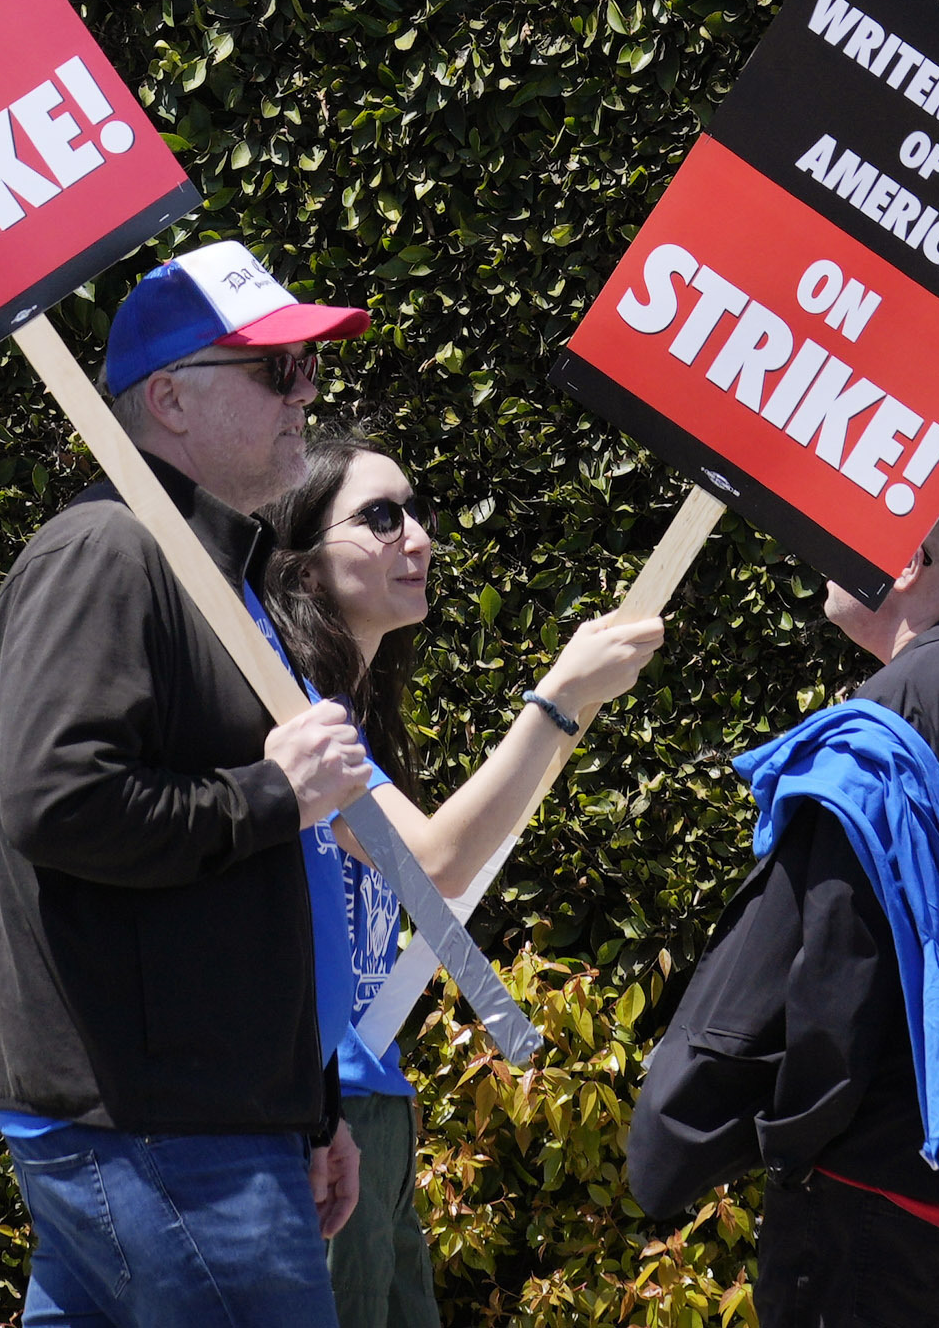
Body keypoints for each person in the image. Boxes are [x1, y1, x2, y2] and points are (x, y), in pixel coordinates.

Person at [0, 241, 384, 1328]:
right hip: (158, 1126)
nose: (307, 395)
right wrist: (268, 795)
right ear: (169, 399)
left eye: (305, 368)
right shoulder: (107, 550)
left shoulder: (208, 571)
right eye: (273, 371)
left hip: (197, 1120)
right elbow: (59, 799)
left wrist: (307, 1103)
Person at [627, 447, 939, 1327]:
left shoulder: (889, 717)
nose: (825, 549)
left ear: (907, 557)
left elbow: (825, 965)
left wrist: (739, 1135)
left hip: (880, 1198)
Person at [258, 434, 671, 1328]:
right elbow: (435, 861)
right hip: (321, 1117)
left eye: (419, 513)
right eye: (380, 516)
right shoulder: (286, 712)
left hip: (371, 1108)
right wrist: (560, 697)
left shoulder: (351, 717)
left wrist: (572, 707)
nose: (419, 536)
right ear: (302, 560)